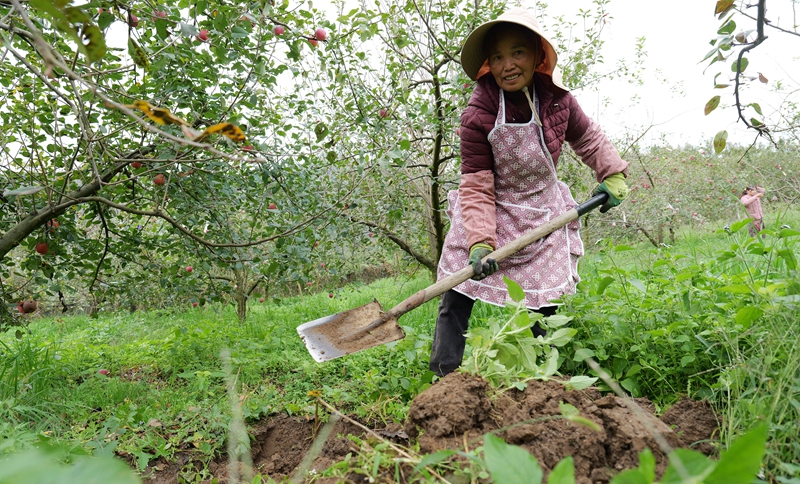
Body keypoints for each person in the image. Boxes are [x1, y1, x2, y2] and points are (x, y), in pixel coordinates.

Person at [429, 8, 629, 377]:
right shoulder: (478, 114)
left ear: (538, 55)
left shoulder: (558, 99)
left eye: (517, 52)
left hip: (543, 208)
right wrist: (479, 241)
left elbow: (587, 137)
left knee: (544, 300)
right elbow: (476, 184)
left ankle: (539, 375)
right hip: (492, 208)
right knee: (456, 289)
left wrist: (612, 172)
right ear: (488, 64)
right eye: (498, 57)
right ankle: (445, 378)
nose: (508, 65)